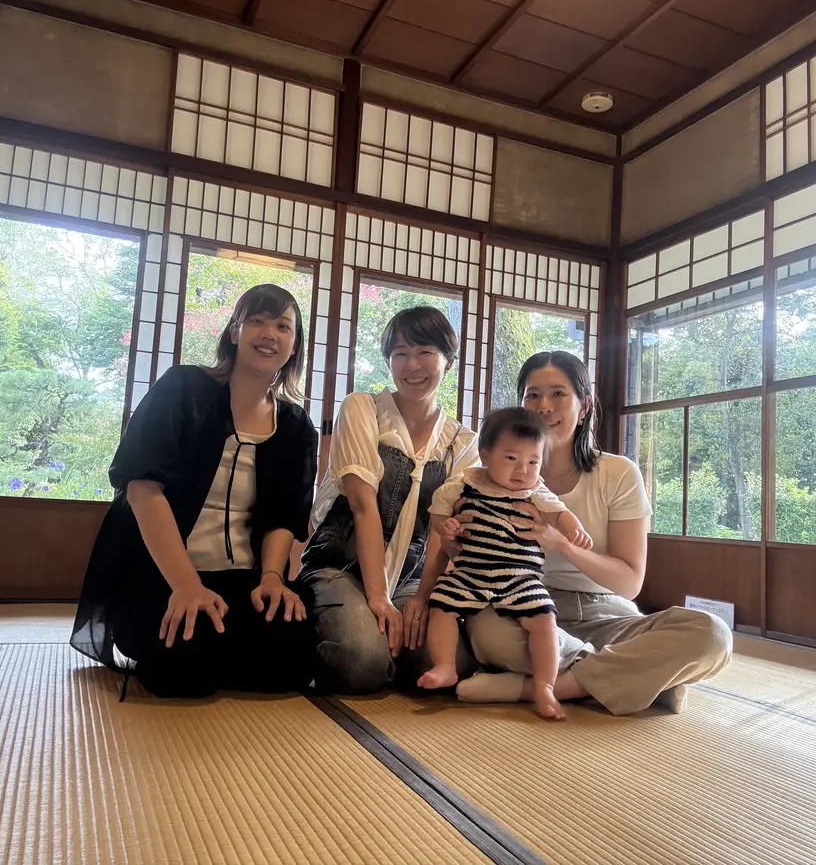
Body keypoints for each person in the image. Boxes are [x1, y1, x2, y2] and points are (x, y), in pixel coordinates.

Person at [69, 284, 319, 699]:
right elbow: (142, 488)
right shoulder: (183, 389)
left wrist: (273, 578)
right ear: (234, 331)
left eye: (283, 326)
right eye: (256, 321)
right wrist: (185, 584)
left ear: (295, 346)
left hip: (242, 576)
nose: (268, 334)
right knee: (183, 671)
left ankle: (226, 646)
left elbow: (283, 515)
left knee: (291, 663)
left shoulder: (295, 425)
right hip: (165, 571)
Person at [452, 351, 734, 716]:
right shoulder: (489, 478)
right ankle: (644, 678)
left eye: (558, 394)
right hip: (522, 611)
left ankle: (536, 688)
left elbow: (629, 583)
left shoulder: (617, 474)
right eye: (532, 395)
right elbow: (469, 558)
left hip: (606, 614)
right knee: (487, 634)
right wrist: (453, 538)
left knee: (712, 634)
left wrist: (563, 545)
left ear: (583, 407)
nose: (544, 406)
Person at [298, 306, 479, 693]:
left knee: (450, 663)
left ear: (449, 360)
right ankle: (362, 643)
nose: (412, 365)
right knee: (360, 661)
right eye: (400, 353)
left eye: (425, 351)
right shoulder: (363, 408)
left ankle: (389, 651)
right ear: (388, 361)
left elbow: (440, 530)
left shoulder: (461, 442)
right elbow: (362, 505)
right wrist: (378, 598)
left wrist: (423, 598)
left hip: (412, 577)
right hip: (342, 566)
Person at [413, 407, 591, 721]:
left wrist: (574, 528)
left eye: (533, 462)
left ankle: (544, 685)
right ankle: (445, 665)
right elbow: (439, 513)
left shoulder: (535, 491)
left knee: (544, 621)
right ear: (485, 455)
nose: (523, 470)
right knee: (441, 605)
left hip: (520, 577)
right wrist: (447, 526)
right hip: (470, 572)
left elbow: (560, 512)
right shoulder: (464, 484)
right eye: (511, 458)